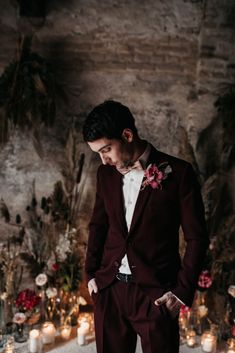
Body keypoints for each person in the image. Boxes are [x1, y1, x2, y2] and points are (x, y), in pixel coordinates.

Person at [82, 100, 209, 353]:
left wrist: (180, 292)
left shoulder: (179, 173)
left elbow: (197, 238)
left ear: (127, 135)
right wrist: (91, 274)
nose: (103, 160)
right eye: (97, 153)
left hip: (157, 294)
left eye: (106, 149)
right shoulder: (104, 174)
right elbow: (98, 225)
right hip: (110, 289)